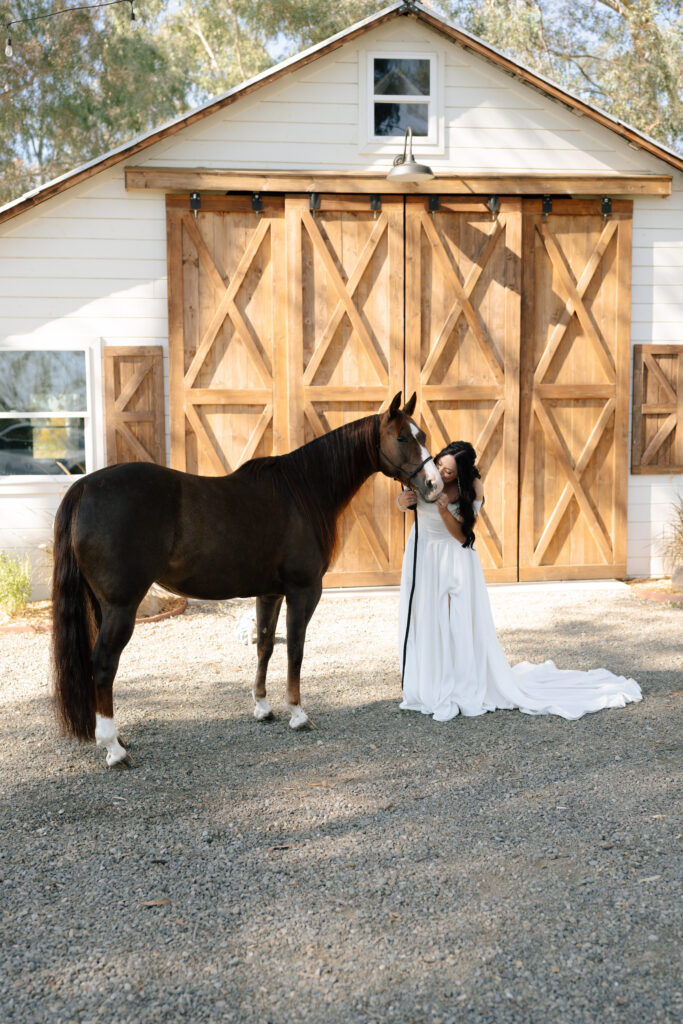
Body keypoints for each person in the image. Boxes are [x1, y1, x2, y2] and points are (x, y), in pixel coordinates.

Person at [396, 441, 641, 722]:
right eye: (440, 464)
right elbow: (405, 500)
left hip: (453, 559)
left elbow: (463, 537)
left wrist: (442, 510)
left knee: (455, 622)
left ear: (460, 474)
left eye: (449, 472)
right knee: (426, 618)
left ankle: (458, 686)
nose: (441, 472)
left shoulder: (472, 488)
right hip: (423, 555)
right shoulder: (424, 474)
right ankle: (428, 683)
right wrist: (401, 503)